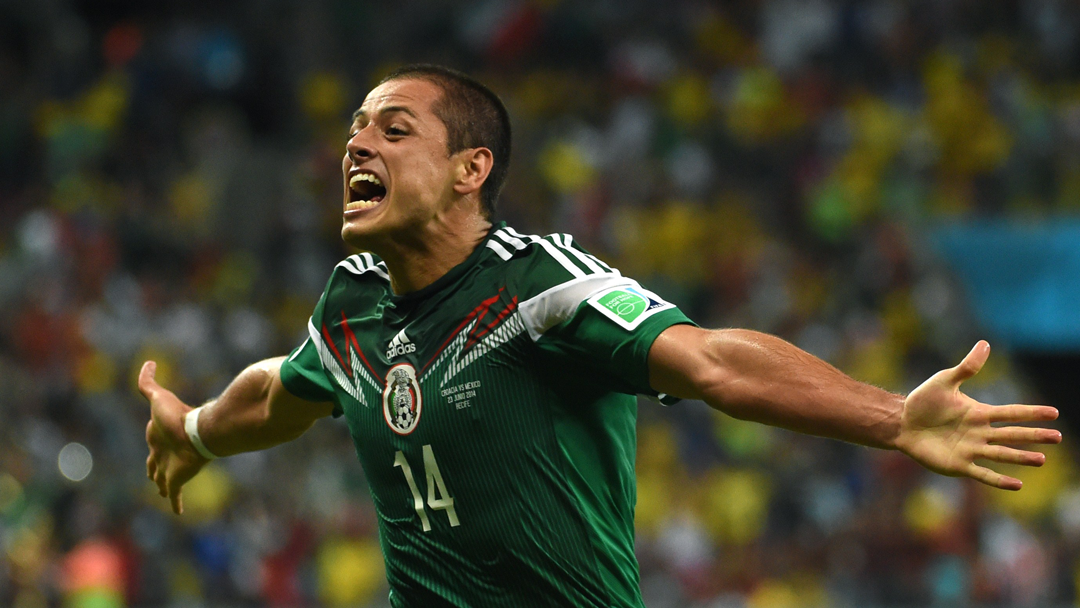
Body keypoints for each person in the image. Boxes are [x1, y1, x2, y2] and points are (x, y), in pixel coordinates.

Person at [138, 65, 1062, 608]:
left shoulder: (537, 287)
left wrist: (893, 416)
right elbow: (283, 390)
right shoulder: (352, 304)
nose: (357, 146)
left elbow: (709, 361)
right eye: (353, 130)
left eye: (393, 129)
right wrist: (195, 432)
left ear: (471, 169)